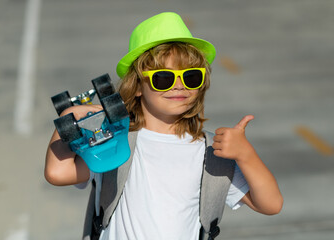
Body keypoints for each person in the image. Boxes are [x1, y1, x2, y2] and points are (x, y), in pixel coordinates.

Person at [45, 12, 283, 240]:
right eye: (163, 79)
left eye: (191, 77)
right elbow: (58, 173)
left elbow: (271, 204)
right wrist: (68, 120)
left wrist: (246, 155)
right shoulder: (114, 140)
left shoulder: (211, 153)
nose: (179, 85)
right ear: (137, 87)